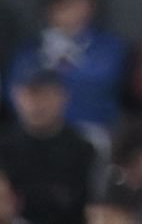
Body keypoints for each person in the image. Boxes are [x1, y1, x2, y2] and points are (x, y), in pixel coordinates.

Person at [6, 0, 126, 138]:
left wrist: (59, 72)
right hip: (38, 131)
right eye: (64, 5)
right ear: (49, 9)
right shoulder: (30, 49)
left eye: (79, 3)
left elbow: (101, 83)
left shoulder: (108, 47)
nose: (74, 11)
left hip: (91, 128)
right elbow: (13, 90)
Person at [0, 70, 98, 224]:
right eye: (28, 95)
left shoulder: (83, 149)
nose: (35, 104)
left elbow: (89, 205)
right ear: (15, 96)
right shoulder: (4, 146)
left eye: (44, 95)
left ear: (63, 96)